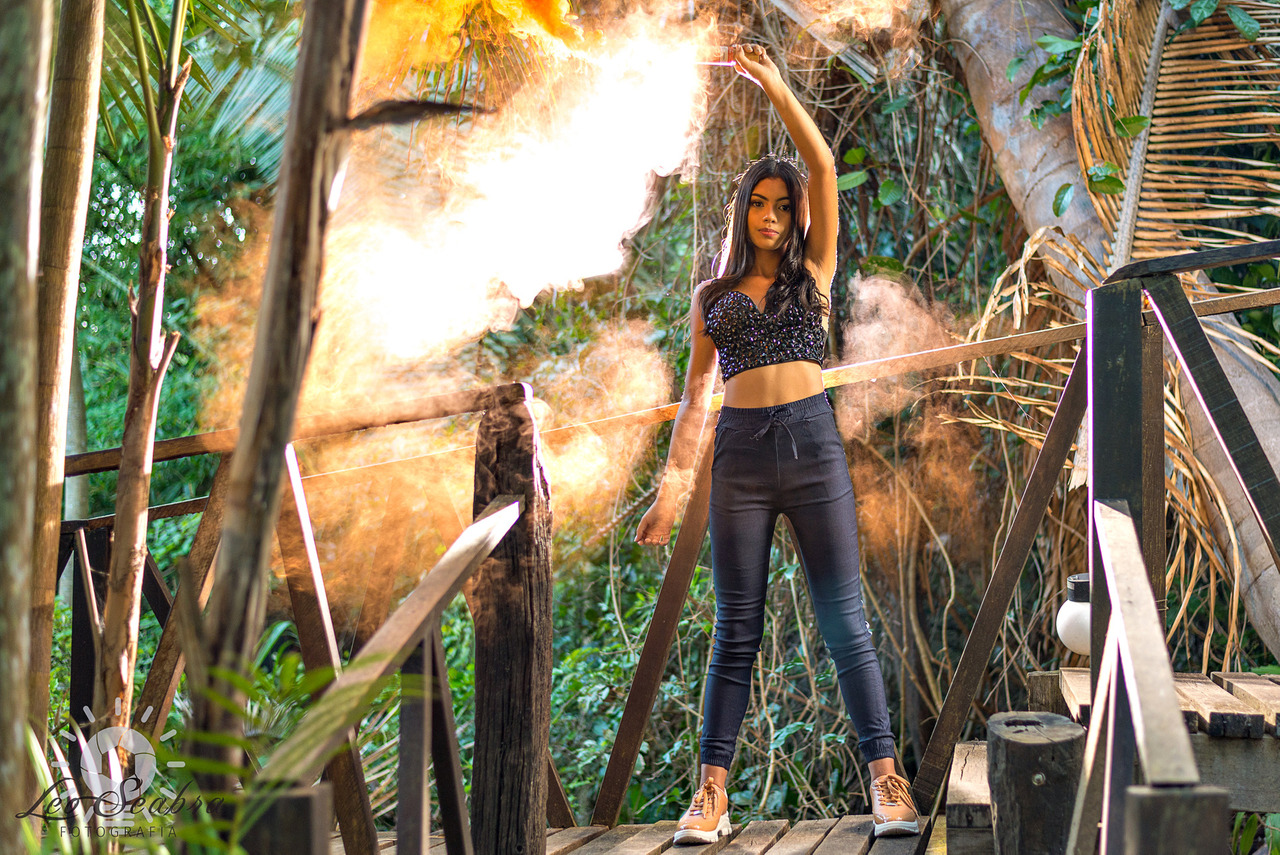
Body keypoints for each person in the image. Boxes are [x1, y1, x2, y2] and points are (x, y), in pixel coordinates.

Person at [634, 43, 920, 844]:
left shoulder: (813, 273)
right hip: (741, 461)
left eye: (782, 207)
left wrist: (769, 80)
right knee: (736, 630)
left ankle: (886, 781)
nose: (770, 216)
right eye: (759, 204)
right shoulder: (713, 296)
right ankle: (711, 796)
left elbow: (821, 166)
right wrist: (671, 493)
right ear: (743, 211)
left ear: (795, 217)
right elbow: (696, 399)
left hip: (814, 447)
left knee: (846, 623)